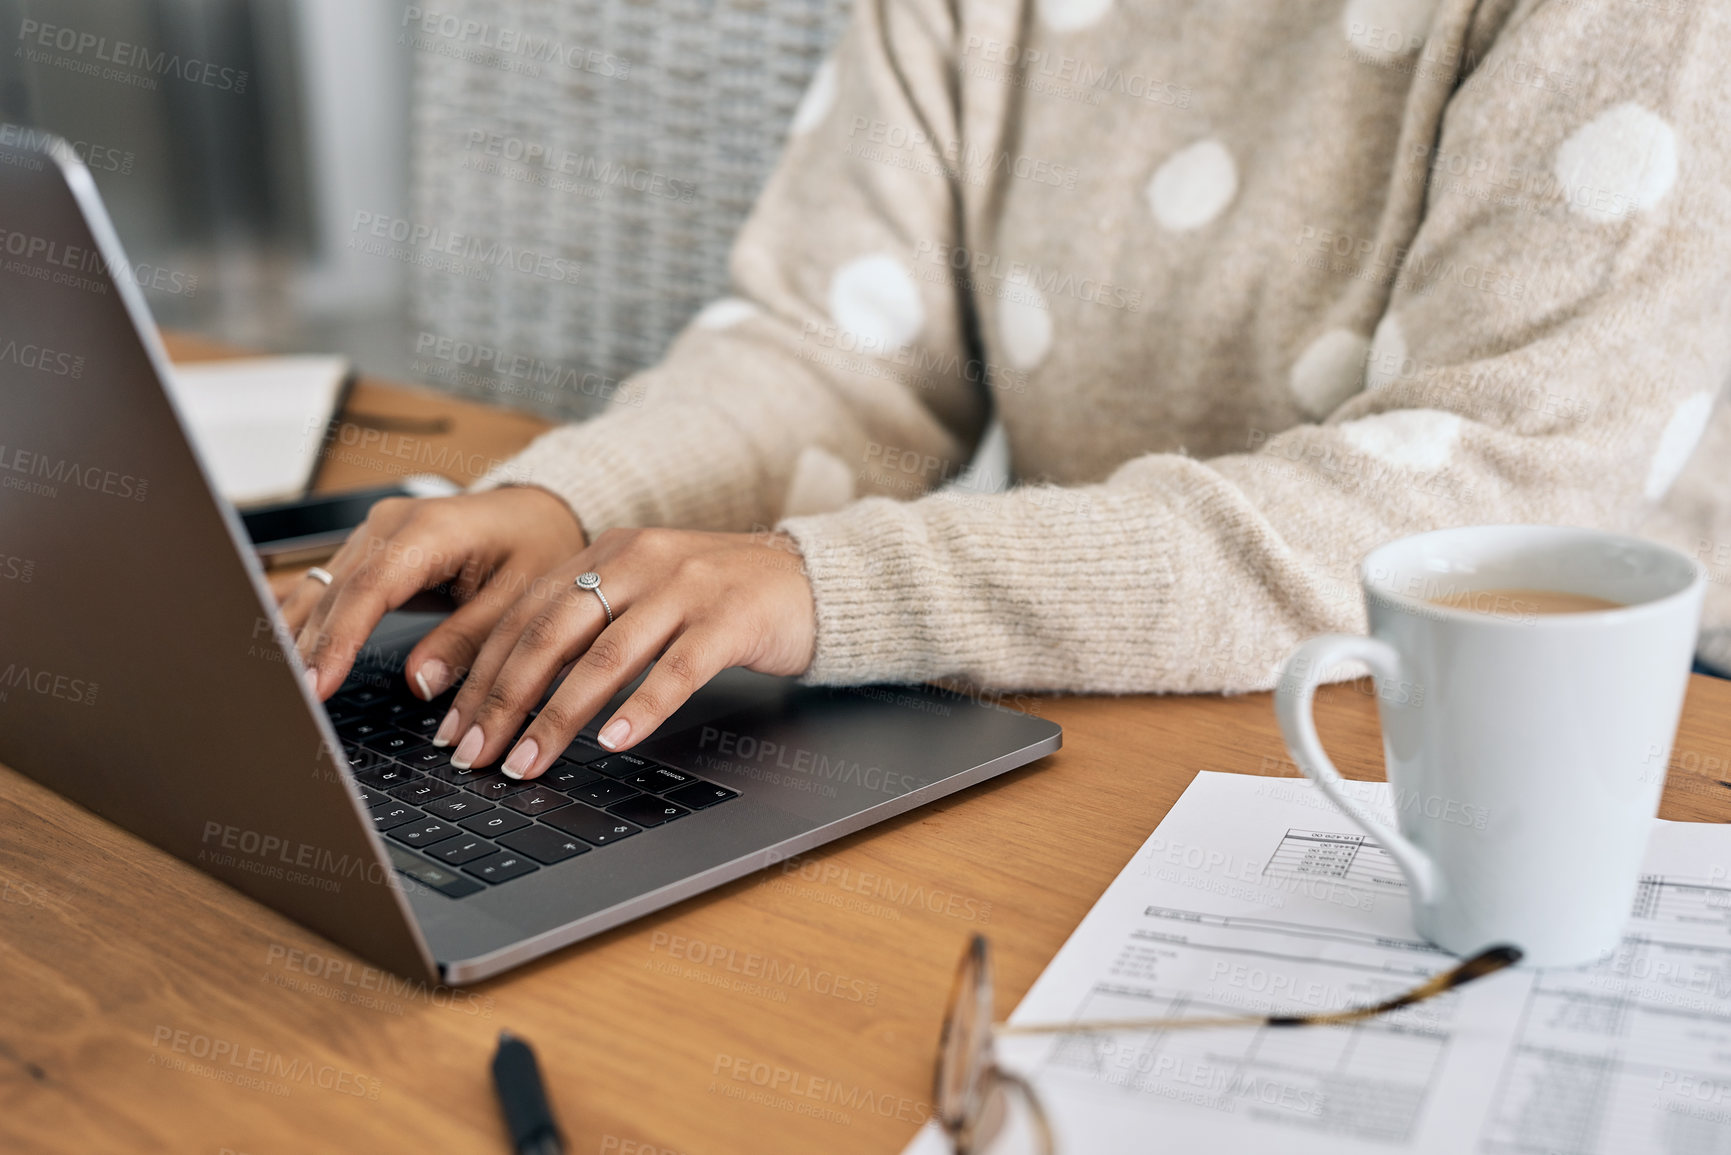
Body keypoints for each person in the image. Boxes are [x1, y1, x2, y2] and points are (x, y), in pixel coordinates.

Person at [283, 0, 1731, 782]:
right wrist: (575, 505)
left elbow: (1472, 511)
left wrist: (823, 585)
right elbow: (836, 354)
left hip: (1556, 754)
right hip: (1114, 730)